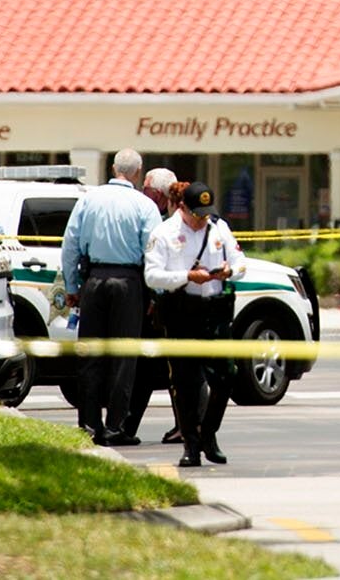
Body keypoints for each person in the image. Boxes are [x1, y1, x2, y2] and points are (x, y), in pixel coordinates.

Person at [59, 149, 160, 444]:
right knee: (124, 356)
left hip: (94, 280)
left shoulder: (88, 199)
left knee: (90, 355)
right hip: (129, 283)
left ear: (113, 169)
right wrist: (154, 294)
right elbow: (151, 253)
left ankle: (89, 425)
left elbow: (70, 246)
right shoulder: (145, 205)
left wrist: (72, 287)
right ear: (138, 172)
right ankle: (115, 426)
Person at [146, 180, 244, 467]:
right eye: (197, 214)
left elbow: (240, 261)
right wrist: (187, 277)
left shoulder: (218, 227)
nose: (202, 220)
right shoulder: (164, 233)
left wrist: (229, 271)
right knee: (185, 383)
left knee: (226, 377)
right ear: (181, 207)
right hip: (182, 312)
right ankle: (190, 444)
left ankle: (208, 433)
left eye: (206, 213)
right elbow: (152, 276)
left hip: (214, 312)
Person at [120, 167, 178, 444]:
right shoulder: (154, 216)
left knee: (171, 369)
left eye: (148, 190)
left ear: (160, 194)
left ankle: (188, 427)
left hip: (167, 304)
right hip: (153, 301)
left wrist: (155, 299)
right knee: (151, 368)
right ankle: (129, 426)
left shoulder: (173, 223)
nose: (144, 194)